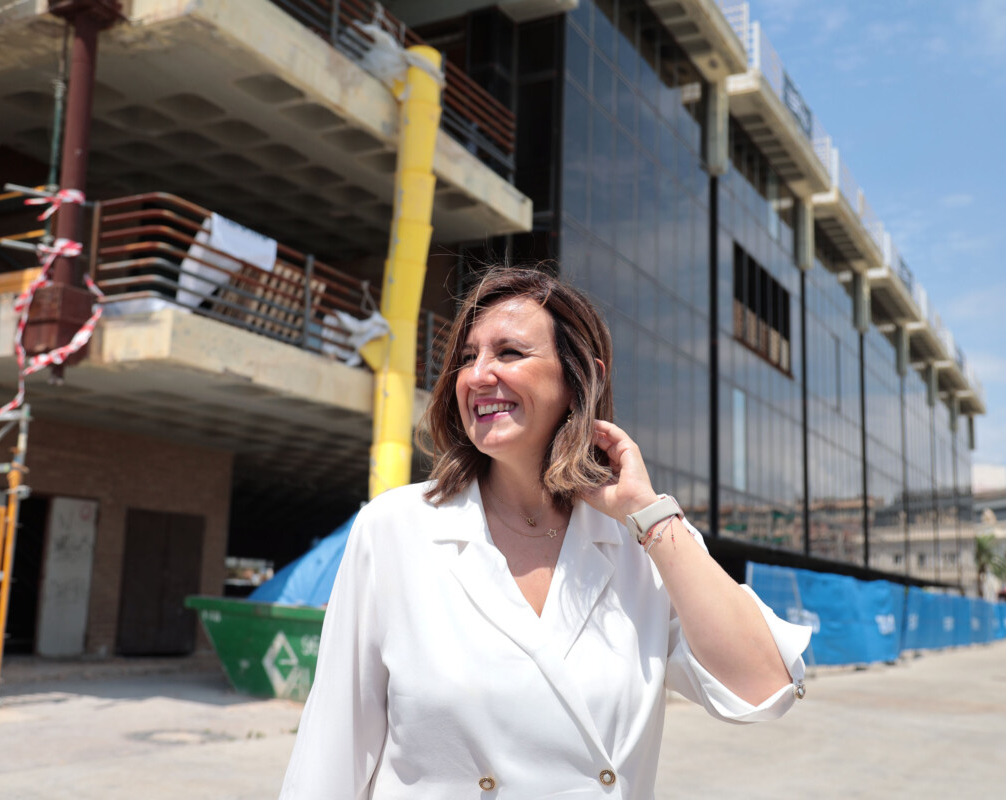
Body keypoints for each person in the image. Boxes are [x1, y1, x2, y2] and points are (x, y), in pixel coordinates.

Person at [280, 268, 810, 798]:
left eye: (509, 353)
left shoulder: (639, 539)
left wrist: (648, 515)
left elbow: (762, 688)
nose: (478, 375)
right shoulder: (394, 528)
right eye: (467, 357)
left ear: (582, 378)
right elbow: (333, 747)